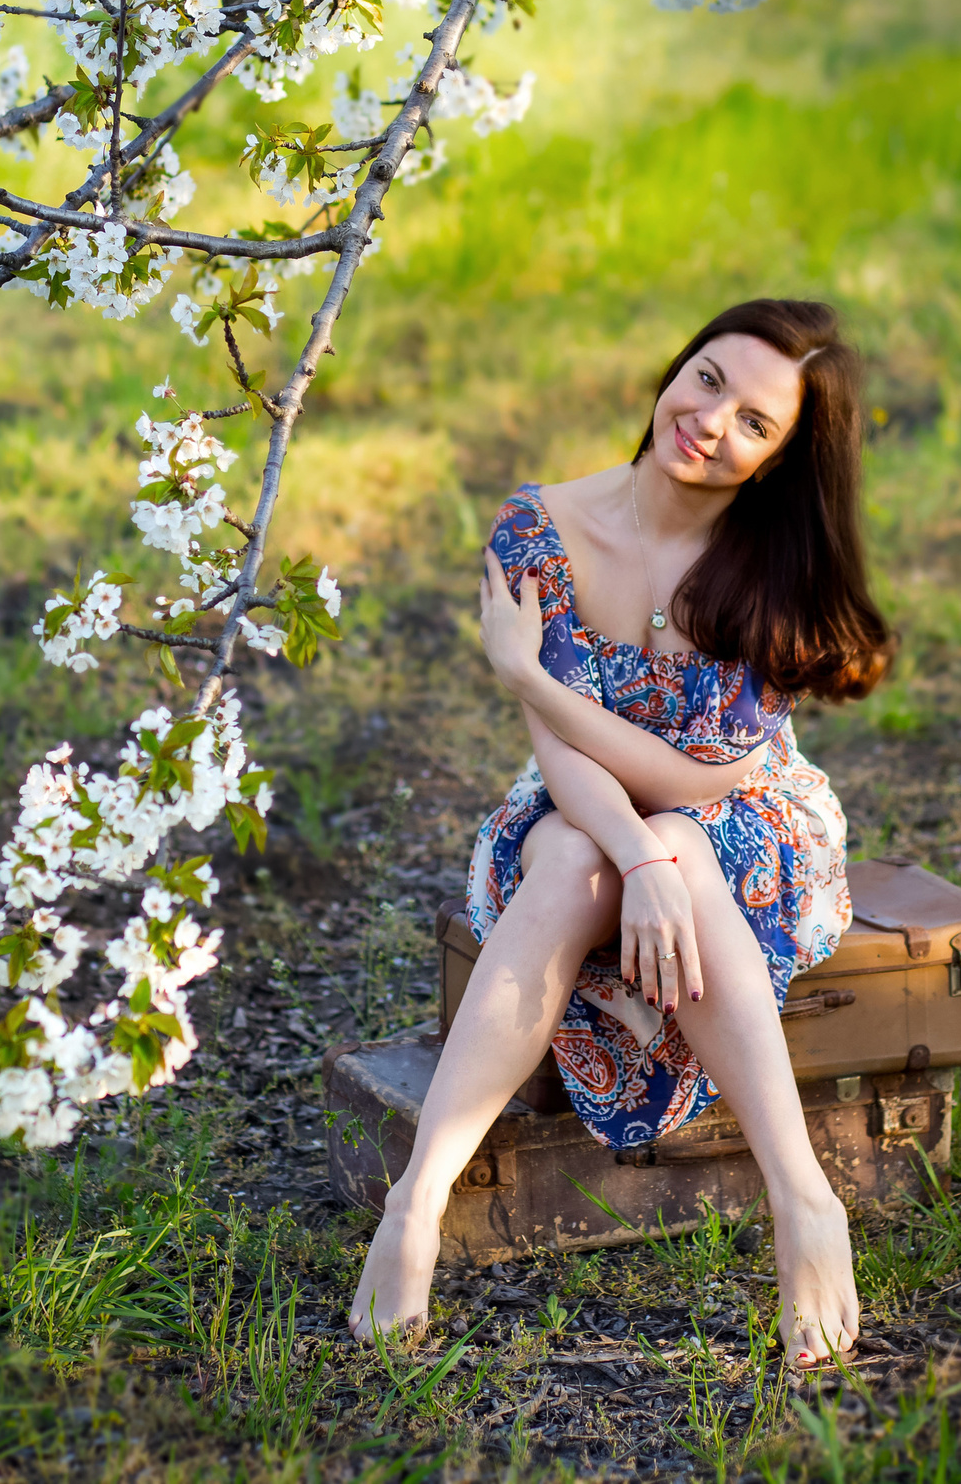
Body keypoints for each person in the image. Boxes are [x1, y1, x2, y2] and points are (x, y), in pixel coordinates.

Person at [343, 299, 895, 1367]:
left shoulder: (773, 569)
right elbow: (563, 758)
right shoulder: (537, 527)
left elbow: (700, 781)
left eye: (754, 424)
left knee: (681, 848)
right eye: (706, 381)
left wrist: (524, 676)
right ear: (673, 367)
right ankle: (416, 1205)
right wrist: (629, 844)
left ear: (779, 462)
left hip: (743, 823)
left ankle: (804, 1204)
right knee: (571, 856)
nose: (710, 422)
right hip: (579, 810)